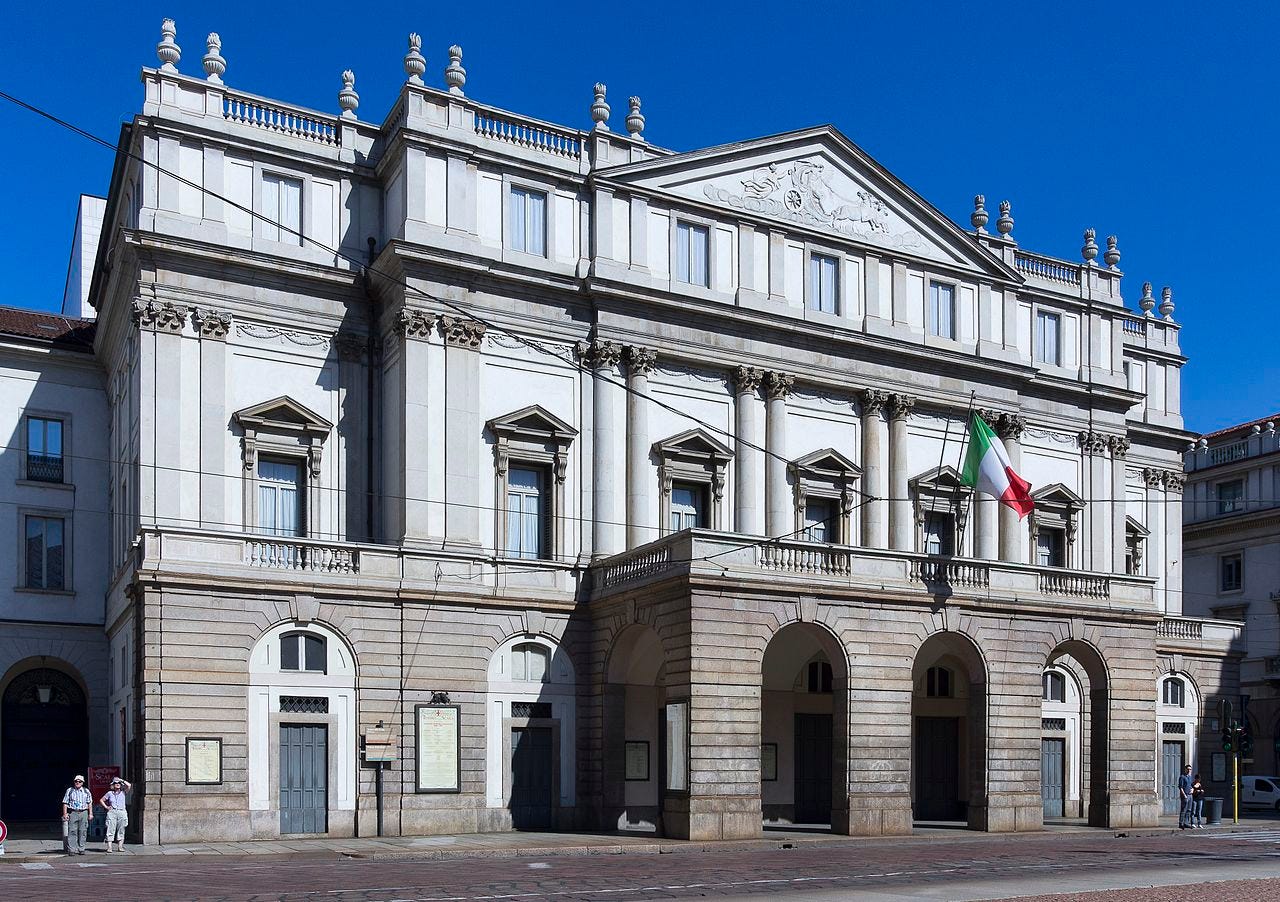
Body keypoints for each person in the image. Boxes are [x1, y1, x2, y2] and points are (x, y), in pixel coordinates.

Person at [61, 775, 92, 855]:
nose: (78, 783)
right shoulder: (70, 790)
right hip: (73, 812)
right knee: (72, 831)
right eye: (76, 781)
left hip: (83, 812)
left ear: (82, 783)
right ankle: (72, 849)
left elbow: (89, 803)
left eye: (80, 781)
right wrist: (65, 813)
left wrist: (90, 813)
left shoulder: (86, 791)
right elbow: (65, 803)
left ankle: (81, 848)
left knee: (83, 831)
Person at [99, 777, 132, 852]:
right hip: (112, 812)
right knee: (110, 828)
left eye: (118, 783)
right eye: (115, 783)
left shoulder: (123, 792)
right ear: (113, 785)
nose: (117, 784)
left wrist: (121, 780)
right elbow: (101, 800)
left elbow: (129, 785)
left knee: (121, 828)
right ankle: (109, 847)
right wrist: (106, 807)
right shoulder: (109, 793)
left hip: (122, 811)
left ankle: (120, 846)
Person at [1178, 764, 1195, 829]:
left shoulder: (1190, 777)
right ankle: (1181, 823)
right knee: (1183, 809)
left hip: (1190, 795)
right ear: (1185, 769)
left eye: (1190, 769)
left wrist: (1192, 790)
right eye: (1188, 769)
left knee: (1189, 810)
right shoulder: (1182, 777)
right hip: (1185, 795)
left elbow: (1191, 785)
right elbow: (1180, 787)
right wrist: (1184, 795)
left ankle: (1186, 823)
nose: (1189, 770)